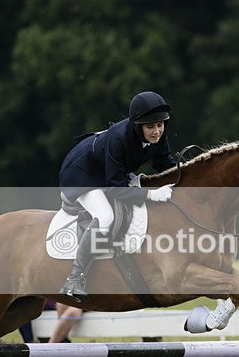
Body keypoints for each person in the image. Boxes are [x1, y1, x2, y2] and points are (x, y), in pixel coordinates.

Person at [58, 91, 176, 301]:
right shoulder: (119, 138)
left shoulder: (157, 134)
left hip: (109, 171)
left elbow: (164, 165)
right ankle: (74, 279)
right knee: (105, 216)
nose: (157, 131)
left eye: (160, 125)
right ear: (137, 125)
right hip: (81, 175)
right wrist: (151, 195)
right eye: (151, 127)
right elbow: (114, 188)